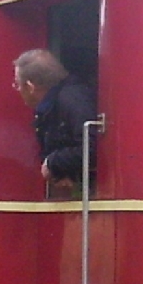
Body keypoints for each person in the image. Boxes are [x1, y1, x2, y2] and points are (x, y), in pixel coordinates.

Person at [12, 49, 98, 190]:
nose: (18, 89)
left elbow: (93, 148)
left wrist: (52, 163)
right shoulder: (56, 104)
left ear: (30, 87)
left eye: (18, 84)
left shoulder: (72, 100)